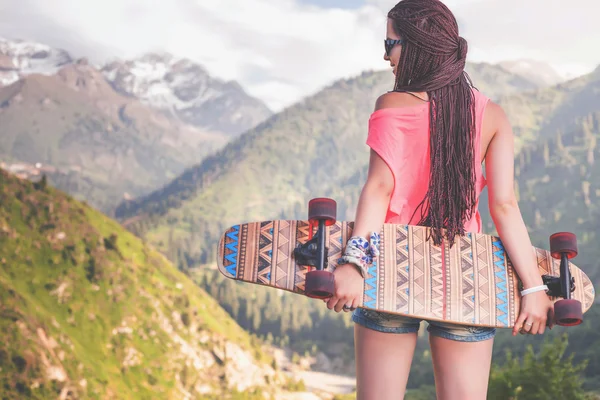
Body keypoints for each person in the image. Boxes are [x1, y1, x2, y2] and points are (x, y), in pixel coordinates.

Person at [324, 1, 555, 399]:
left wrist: (354, 263)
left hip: (391, 270)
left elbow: (379, 189)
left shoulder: (392, 105)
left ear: (416, 46)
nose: (385, 55)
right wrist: (533, 289)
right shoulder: (493, 116)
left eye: (390, 42)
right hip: (467, 276)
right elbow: (504, 207)